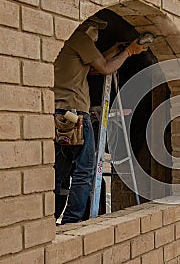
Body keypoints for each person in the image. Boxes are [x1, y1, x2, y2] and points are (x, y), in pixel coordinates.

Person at [53, 15, 148, 224]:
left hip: (59, 115)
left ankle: (52, 215)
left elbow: (94, 67)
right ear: (87, 26)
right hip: (76, 115)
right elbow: (105, 68)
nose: (97, 34)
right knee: (84, 171)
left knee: (60, 171)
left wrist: (116, 50)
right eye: (95, 28)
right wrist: (130, 51)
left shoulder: (65, 42)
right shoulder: (80, 38)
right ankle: (72, 220)